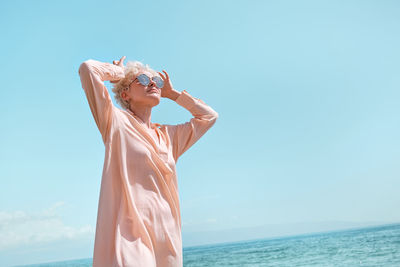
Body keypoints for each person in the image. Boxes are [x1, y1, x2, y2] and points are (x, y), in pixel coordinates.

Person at [78, 56, 218, 267]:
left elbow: (209, 117)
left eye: (157, 81)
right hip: (130, 234)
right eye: (142, 79)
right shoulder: (115, 122)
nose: (152, 83)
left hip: (167, 234)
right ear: (125, 94)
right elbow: (88, 69)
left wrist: (173, 95)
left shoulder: (169, 137)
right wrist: (118, 73)